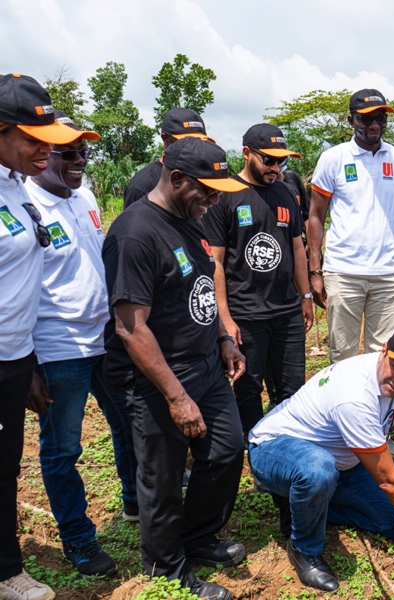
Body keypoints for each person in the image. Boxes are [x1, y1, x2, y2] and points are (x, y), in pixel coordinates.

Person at [102, 136, 249, 600]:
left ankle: (198, 536)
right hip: (159, 378)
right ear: (177, 178)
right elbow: (131, 328)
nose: (214, 200)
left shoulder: (192, 221)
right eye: (206, 190)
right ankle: (166, 569)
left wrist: (224, 338)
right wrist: (176, 396)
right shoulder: (134, 233)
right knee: (162, 478)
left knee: (227, 450)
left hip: (206, 363)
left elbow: (202, 286)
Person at [248, 326, 394, 593]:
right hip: (274, 447)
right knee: (317, 469)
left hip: (342, 462)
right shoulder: (354, 395)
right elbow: (388, 480)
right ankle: (304, 548)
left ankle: (299, 502)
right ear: (383, 349)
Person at [24, 113, 137, 578]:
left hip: (106, 340)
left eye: (82, 151)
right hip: (58, 349)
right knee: (63, 451)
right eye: (66, 152)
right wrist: (29, 363)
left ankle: (134, 502)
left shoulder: (86, 197)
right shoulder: (24, 204)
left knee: (131, 424)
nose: (78, 160)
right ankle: (78, 540)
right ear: (41, 155)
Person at [0, 72, 83, 600]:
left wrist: (26, 359)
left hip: (15, 353)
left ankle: (7, 569)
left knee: (7, 467)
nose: (44, 153)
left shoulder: (13, 184)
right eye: (34, 140)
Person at [206, 123, 314, 440]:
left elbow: (297, 246)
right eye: (268, 160)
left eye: (282, 162)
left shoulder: (285, 192)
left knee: (291, 387)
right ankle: (256, 447)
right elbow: (216, 261)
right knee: (248, 386)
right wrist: (224, 318)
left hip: (286, 312)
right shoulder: (225, 195)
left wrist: (305, 297)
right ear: (247, 153)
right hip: (245, 314)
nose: (276, 168)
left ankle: (287, 447)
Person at [307, 89, 394, 362]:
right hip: (343, 273)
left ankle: (375, 407)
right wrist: (315, 270)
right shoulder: (333, 159)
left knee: (381, 358)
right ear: (350, 120)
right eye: (365, 119)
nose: (374, 126)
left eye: (380, 119)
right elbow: (315, 217)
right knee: (342, 356)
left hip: (389, 275)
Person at [123, 108, 211, 209]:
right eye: (185, 142)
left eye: (199, 142)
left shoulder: (206, 179)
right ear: (166, 139)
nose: (194, 147)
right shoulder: (141, 186)